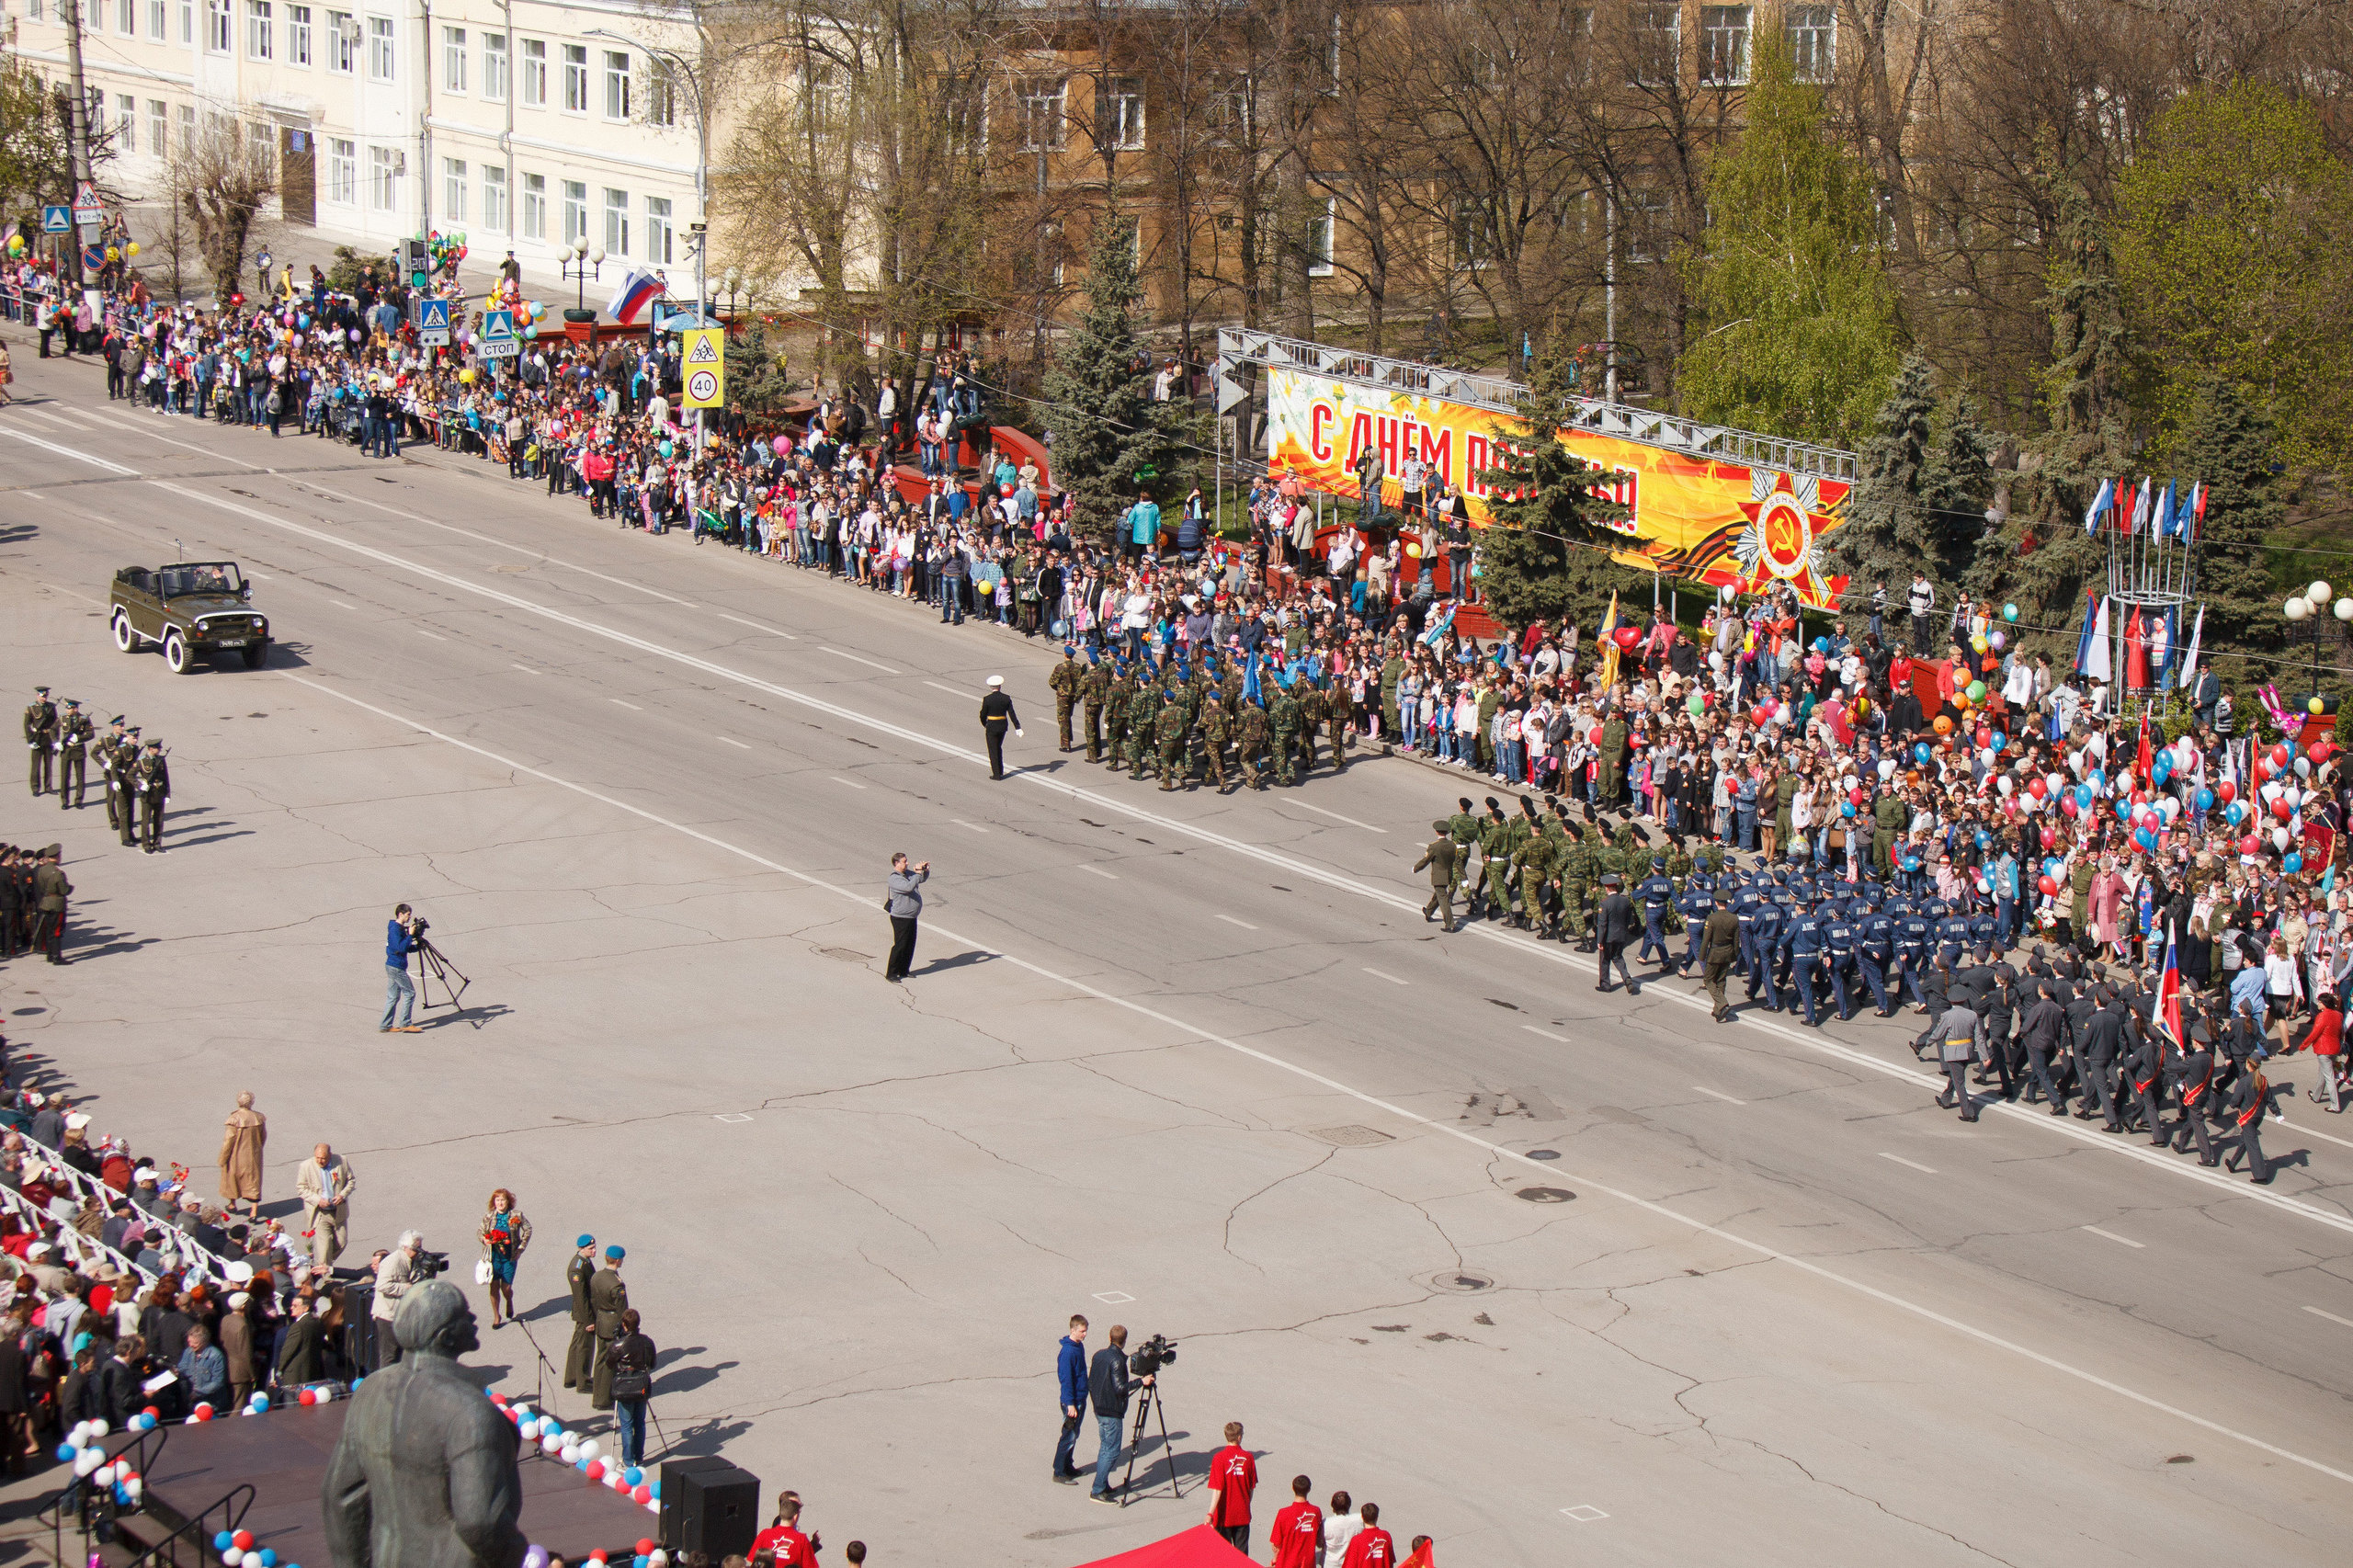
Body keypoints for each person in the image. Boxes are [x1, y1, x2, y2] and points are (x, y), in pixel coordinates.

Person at [1087, 1324, 1149, 1503]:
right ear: (1124, 1340)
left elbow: (1092, 1381)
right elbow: (1121, 1388)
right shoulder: (1118, 1361)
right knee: (1111, 1451)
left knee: (1105, 1447)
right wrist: (1141, 1382)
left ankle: (1103, 1484)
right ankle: (1098, 1489)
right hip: (1111, 1411)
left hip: (1099, 1408)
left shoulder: (1099, 1355)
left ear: (1110, 1338)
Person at [607, 1307, 656, 1467]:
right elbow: (653, 1363)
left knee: (627, 1425)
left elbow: (609, 1364)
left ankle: (628, 1460)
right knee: (640, 1422)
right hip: (641, 1385)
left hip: (625, 1387)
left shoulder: (618, 1345)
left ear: (624, 1325)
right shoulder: (647, 1341)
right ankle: (639, 1456)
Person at [295, 1142, 356, 1268]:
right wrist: (317, 1200)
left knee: (341, 1242)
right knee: (324, 1246)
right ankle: (326, 1276)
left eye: (323, 1158)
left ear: (330, 1155)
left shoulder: (341, 1161)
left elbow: (351, 1180)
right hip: (320, 1213)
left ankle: (324, 1264)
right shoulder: (306, 1166)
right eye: (317, 1158)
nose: (320, 1161)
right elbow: (301, 1188)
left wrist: (342, 1195)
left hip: (338, 1211)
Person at [371, 1230, 426, 1369]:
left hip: (403, 1314)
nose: (419, 1251)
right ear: (405, 1247)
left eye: (420, 1248)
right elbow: (382, 1285)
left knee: (405, 1355)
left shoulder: (414, 1260)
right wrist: (405, 1288)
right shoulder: (392, 1261)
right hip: (388, 1315)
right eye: (416, 1248)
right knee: (389, 1356)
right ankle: (387, 1387)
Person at [478, 1188, 531, 1329]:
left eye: (503, 1200)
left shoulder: (516, 1215)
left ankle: (509, 1300)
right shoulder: (489, 1216)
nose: (500, 1203)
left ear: (508, 1201)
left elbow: (528, 1229)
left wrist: (521, 1248)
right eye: (497, 1200)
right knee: (494, 1287)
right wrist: (484, 1239)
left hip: (509, 1258)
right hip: (494, 1258)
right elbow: (480, 1231)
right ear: (494, 1202)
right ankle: (496, 1316)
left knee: (506, 1288)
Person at [1205, 1421, 1258, 1553]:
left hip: (1223, 1517)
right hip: (1242, 1514)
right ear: (1239, 1437)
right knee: (1241, 1557)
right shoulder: (1249, 1458)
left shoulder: (1219, 1458)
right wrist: (1245, 1504)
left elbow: (1217, 1489)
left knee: (1224, 1556)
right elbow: (1251, 1488)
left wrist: (1210, 1513)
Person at [590, 1244, 629, 1410]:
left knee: (600, 1359)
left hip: (600, 1320)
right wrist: (627, 1326)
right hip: (612, 1324)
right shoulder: (616, 1284)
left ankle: (598, 1392)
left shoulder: (597, 1276)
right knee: (609, 1362)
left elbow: (593, 1300)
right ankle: (604, 1399)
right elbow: (622, 1309)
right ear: (618, 1260)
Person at [219, 1091, 267, 1221]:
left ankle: (232, 1204)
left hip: (236, 1156)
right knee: (254, 1182)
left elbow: (228, 1140)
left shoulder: (234, 1119)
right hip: (253, 1155)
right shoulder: (259, 1118)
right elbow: (263, 1137)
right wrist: (257, 1149)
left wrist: (223, 1158)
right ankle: (254, 1212)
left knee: (233, 1179)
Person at [883, 853, 929, 983]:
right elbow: (908, 887)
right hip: (900, 917)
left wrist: (924, 871)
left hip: (911, 916)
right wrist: (917, 874)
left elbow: (920, 879)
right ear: (896, 863)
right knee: (900, 945)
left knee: (910, 944)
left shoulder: (908, 874)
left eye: (907, 861)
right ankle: (891, 973)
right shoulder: (894, 879)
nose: (907, 863)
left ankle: (904, 969)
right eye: (904, 861)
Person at [1053, 1314, 1088, 1484]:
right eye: (1082, 1331)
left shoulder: (1078, 1346)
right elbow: (1066, 1379)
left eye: (1086, 1330)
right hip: (1072, 1401)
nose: (1085, 1334)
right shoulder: (1068, 1352)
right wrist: (1070, 1404)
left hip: (1080, 1397)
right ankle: (1059, 1471)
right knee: (1068, 1435)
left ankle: (1068, 1465)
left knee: (1074, 1434)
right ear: (1073, 1330)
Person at [564, 1234, 599, 1391]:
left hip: (584, 1312)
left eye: (594, 1247)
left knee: (577, 1344)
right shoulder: (577, 1267)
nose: (594, 1251)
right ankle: (583, 1382)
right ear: (581, 1249)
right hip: (584, 1313)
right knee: (584, 1347)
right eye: (590, 1248)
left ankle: (572, 1377)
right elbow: (581, 1297)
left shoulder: (584, 1262)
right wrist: (589, 1320)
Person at [1594, 872, 1639, 994]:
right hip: (1621, 935)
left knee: (1605, 960)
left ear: (1607, 888)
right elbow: (1628, 919)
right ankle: (1627, 979)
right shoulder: (1625, 901)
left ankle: (1605, 985)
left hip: (1608, 937)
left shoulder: (1605, 903)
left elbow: (1602, 924)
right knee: (1618, 957)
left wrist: (1599, 940)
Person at [382, 903, 424, 1034]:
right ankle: (405, 1023)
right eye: (408, 914)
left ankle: (385, 1025)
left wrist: (417, 947)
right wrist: (410, 936)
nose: (409, 917)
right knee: (410, 993)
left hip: (394, 965)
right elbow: (400, 948)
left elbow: (404, 948)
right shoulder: (395, 929)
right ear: (400, 914)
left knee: (393, 996)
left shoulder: (398, 928)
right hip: (396, 967)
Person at [1701, 895, 1742, 1021]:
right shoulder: (1734, 918)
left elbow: (1706, 939)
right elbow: (1736, 939)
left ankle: (1722, 1004)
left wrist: (1702, 955)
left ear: (1717, 903)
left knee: (1708, 980)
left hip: (1715, 952)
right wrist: (1735, 954)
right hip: (1728, 952)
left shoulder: (1712, 918)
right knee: (1721, 980)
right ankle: (1718, 1010)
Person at [1415, 821, 1459, 933]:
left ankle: (1450, 924)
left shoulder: (1434, 846)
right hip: (1448, 875)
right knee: (1439, 894)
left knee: (1443, 899)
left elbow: (1425, 860)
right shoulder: (1452, 845)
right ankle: (1429, 912)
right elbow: (1457, 862)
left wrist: (1415, 868)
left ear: (1436, 832)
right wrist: (1463, 878)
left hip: (1439, 877)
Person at [1270, 1477, 1323, 1568]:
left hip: (1286, 1563)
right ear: (1309, 1489)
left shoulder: (1283, 1513)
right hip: (1307, 1564)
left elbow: (1276, 1543)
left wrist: (1275, 1558)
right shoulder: (1315, 1512)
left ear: (1292, 1488)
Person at [979, 675, 1024, 780]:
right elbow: (1012, 713)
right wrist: (1018, 727)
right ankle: (1000, 770)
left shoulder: (987, 699)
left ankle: (996, 774)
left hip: (992, 726)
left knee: (993, 750)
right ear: (1000, 686)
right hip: (1003, 726)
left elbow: (982, 714)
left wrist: (984, 724)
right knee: (998, 747)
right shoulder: (1006, 698)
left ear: (991, 687)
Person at [176, 1322, 230, 1410]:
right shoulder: (188, 1351)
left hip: (212, 1403)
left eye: (195, 1343)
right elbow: (182, 1368)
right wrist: (177, 1371)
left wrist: (198, 1393)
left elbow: (218, 1381)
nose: (191, 1345)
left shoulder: (216, 1356)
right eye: (189, 1342)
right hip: (193, 1403)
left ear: (204, 1342)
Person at [1341, 1502, 1394, 1568]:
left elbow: (1350, 1565)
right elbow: (1390, 1561)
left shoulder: (1356, 1540)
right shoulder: (1386, 1536)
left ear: (1362, 1518)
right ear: (1377, 1517)